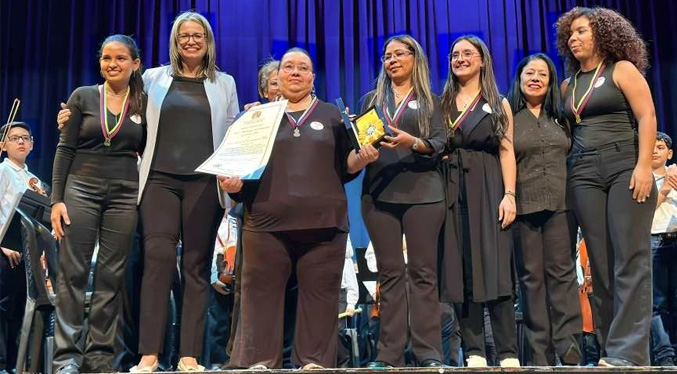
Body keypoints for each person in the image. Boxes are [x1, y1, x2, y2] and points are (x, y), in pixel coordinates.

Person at [222, 47, 378, 370]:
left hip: (323, 226)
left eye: (302, 68)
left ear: (312, 77)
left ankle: (314, 362)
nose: (294, 72)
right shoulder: (256, 117)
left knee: (320, 299)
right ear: (276, 77)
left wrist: (361, 159)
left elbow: (348, 164)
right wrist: (234, 186)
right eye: (288, 67)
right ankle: (259, 360)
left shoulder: (333, 115)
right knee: (260, 297)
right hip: (265, 224)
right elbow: (239, 168)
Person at [556, 6, 657, 366]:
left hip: (623, 165)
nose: (574, 38)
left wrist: (644, 165)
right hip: (582, 173)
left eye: (582, 31)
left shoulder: (622, 70)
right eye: (570, 34)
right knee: (600, 264)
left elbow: (646, 116)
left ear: (603, 34)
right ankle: (611, 349)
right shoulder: (568, 86)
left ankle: (628, 352)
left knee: (630, 259)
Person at [50, 34, 146, 374]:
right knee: (73, 274)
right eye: (106, 57)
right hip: (81, 189)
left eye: (121, 58)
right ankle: (66, 359)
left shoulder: (144, 103)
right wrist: (56, 200)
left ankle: (100, 358)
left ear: (135, 64)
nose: (112, 64)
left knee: (111, 276)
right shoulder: (84, 96)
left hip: (124, 195)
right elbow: (64, 150)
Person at [359, 35, 447, 369]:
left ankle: (428, 353)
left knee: (423, 274)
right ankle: (388, 354)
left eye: (399, 54)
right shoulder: (372, 99)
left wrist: (414, 142)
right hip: (380, 195)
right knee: (390, 274)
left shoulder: (430, 101)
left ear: (415, 58)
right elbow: (362, 142)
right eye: (386, 55)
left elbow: (440, 143)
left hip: (424, 195)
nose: (392, 59)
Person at [438, 35, 519, 367]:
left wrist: (509, 195)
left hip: (489, 187)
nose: (460, 59)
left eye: (467, 53)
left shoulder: (498, 102)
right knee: (461, 269)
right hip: (450, 190)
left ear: (482, 60)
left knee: (495, 266)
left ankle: (508, 352)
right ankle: (473, 351)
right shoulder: (440, 103)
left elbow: (507, 150)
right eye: (455, 54)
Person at [506, 53, 582, 365]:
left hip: (561, 207)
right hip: (524, 208)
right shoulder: (509, 115)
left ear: (551, 82)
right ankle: (538, 353)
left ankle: (569, 347)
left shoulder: (561, 117)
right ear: (519, 78)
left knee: (563, 277)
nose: (535, 78)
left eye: (542, 74)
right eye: (530, 73)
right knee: (531, 279)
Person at [0, 121, 48, 373]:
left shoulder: (35, 180)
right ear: (3, 145)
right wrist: (2, 245)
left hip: (28, 254)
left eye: (25, 138)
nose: (20, 141)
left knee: (20, 309)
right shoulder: (2, 172)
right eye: (15, 137)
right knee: (3, 307)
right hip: (5, 251)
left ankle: (16, 364)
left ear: (31, 145)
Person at [649, 131, 677, 365]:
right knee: (657, 304)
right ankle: (665, 356)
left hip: (675, 239)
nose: (654, 150)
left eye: (660, 147)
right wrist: (665, 189)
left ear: (669, 153)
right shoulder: (641, 178)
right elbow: (643, 214)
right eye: (651, 146)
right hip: (653, 242)